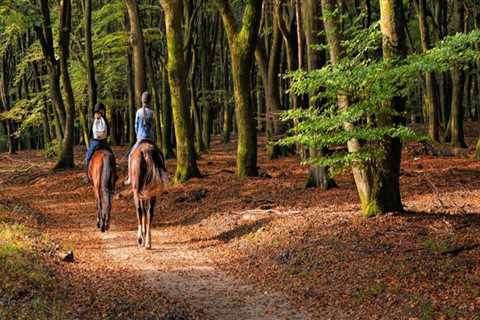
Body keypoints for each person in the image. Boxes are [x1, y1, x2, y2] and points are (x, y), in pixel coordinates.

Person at [124, 91, 155, 185]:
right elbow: (153, 127)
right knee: (159, 156)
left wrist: (139, 135)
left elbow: (136, 127)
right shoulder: (152, 113)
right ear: (149, 101)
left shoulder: (138, 112)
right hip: (150, 140)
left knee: (130, 156)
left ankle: (130, 177)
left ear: (142, 101)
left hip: (140, 139)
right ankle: (162, 174)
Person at [84, 103, 111, 183]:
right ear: (102, 110)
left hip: (95, 143)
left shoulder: (93, 120)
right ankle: (114, 173)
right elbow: (108, 132)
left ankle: (86, 177)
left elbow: (90, 134)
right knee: (112, 156)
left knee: (87, 158)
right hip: (104, 143)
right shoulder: (104, 119)